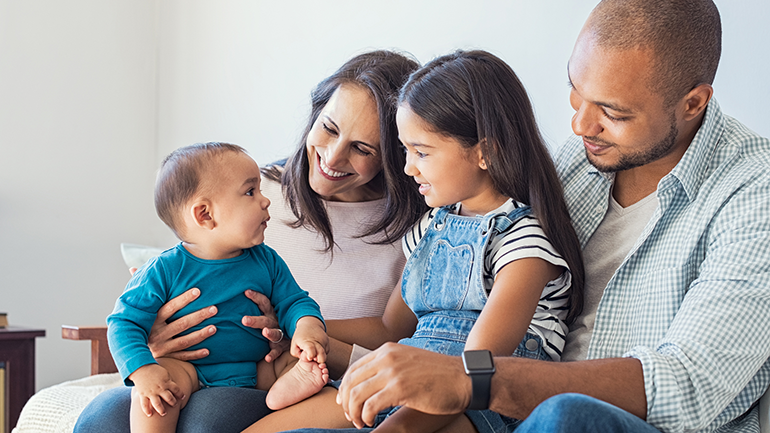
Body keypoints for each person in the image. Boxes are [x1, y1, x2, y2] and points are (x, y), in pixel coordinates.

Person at [329, 1, 770, 432]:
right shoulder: (578, 161)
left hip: (579, 417)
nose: (580, 126)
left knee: (567, 415)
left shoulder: (754, 193)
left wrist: (471, 380)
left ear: (693, 103)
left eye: (612, 113)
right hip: (505, 409)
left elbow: (685, 385)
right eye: (575, 94)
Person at [74, 50, 426, 433]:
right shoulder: (246, 191)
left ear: (397, 154)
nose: (332, 155)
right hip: (193, 364)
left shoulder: (418, 229)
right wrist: (155, 338)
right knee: (102, 416)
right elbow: (178, 275)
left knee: (209, 419)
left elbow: (394, 334)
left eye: (362, 148)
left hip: (286, 370)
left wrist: (298, 330)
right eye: (328, 127)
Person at [242, 50, 585, 433]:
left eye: (421, 152)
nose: (406, 168)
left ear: (485, 152)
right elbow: (391, 328)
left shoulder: (523, 242)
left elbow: (476, 369)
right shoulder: (430, 228)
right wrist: (304, 325)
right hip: (405, 375)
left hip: (474, 401)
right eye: (405, 150)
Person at [108, 142, 331, 432]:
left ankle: (287, 387)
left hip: (258, 365)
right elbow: (123, 322)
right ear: (205, 215)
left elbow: (294, 301)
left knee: (298, 362)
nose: (265, 201)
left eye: (260, 190)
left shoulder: (267, 261)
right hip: (191, 370)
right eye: (251, 192)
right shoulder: (164, 269)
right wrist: (144, 371)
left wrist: (307, 329)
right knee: (157, 394)